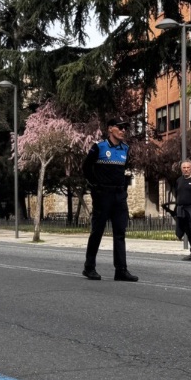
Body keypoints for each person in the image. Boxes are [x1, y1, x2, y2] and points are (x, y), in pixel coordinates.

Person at [82, 119, 137, 282]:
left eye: (125, 128)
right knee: (97, 231)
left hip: (119, 196)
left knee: (120, 233)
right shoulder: (99, 147)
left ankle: (121, 270)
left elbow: (122, 170)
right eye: (120, 127)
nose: (123, 130)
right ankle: (89, 267)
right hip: (102, 195)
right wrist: (96, 187)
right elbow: (86, 168)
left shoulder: (125, 149)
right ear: (110, 129)